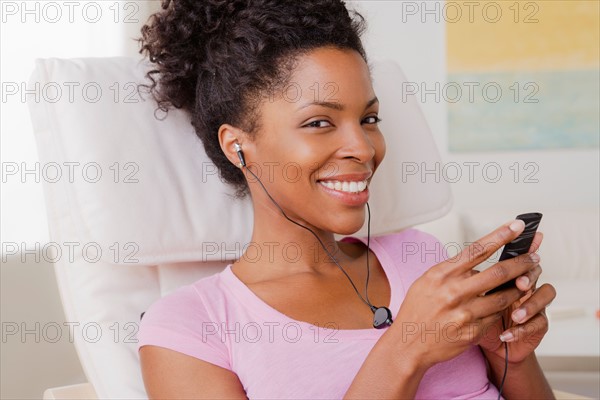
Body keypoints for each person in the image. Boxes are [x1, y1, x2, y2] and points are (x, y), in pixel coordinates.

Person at [136, 1, 557, 398]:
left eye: (369, 119)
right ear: (237, 145)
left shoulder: (423, 258)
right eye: (319, 122)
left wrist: (512, 359)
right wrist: (405, 349)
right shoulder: (193, 325)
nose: (363, 147)